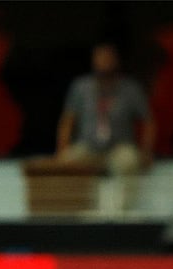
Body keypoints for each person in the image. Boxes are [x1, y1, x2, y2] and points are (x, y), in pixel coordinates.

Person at [56, 42, 156, 175]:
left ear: (116, 60)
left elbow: (148, 121)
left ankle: (120, 197)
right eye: (100, 57)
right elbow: (68, 120)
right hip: (88, 146)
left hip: (120, 147)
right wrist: (61, 150)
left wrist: (146, 152)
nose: (104, 62)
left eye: (108, 58)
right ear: (93, 60)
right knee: (66, 162)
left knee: (128, 162)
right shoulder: (81, 87)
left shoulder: (130, 89)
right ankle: (79, 196)